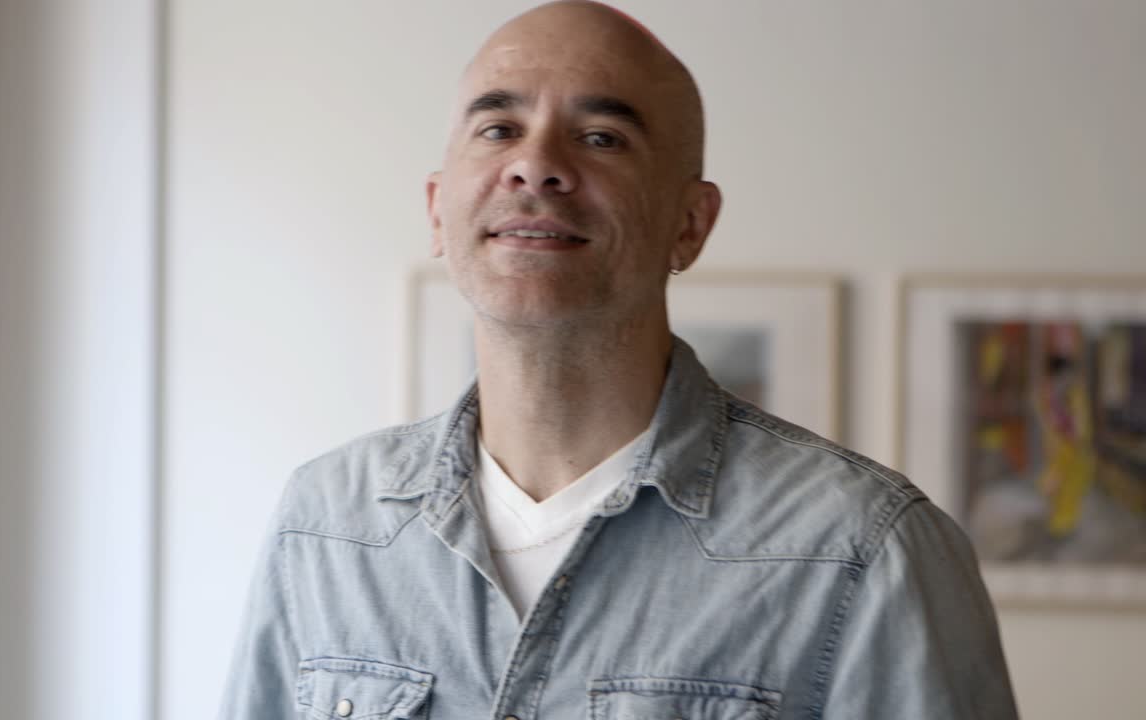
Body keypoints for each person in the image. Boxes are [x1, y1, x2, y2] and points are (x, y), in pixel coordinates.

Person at [219, 2, 1019, 718]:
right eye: (498, 128)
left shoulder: (863, 548)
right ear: (437, 207)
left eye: (602, 137)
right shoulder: (326, 526)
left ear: (690, 223)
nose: (535, 165)